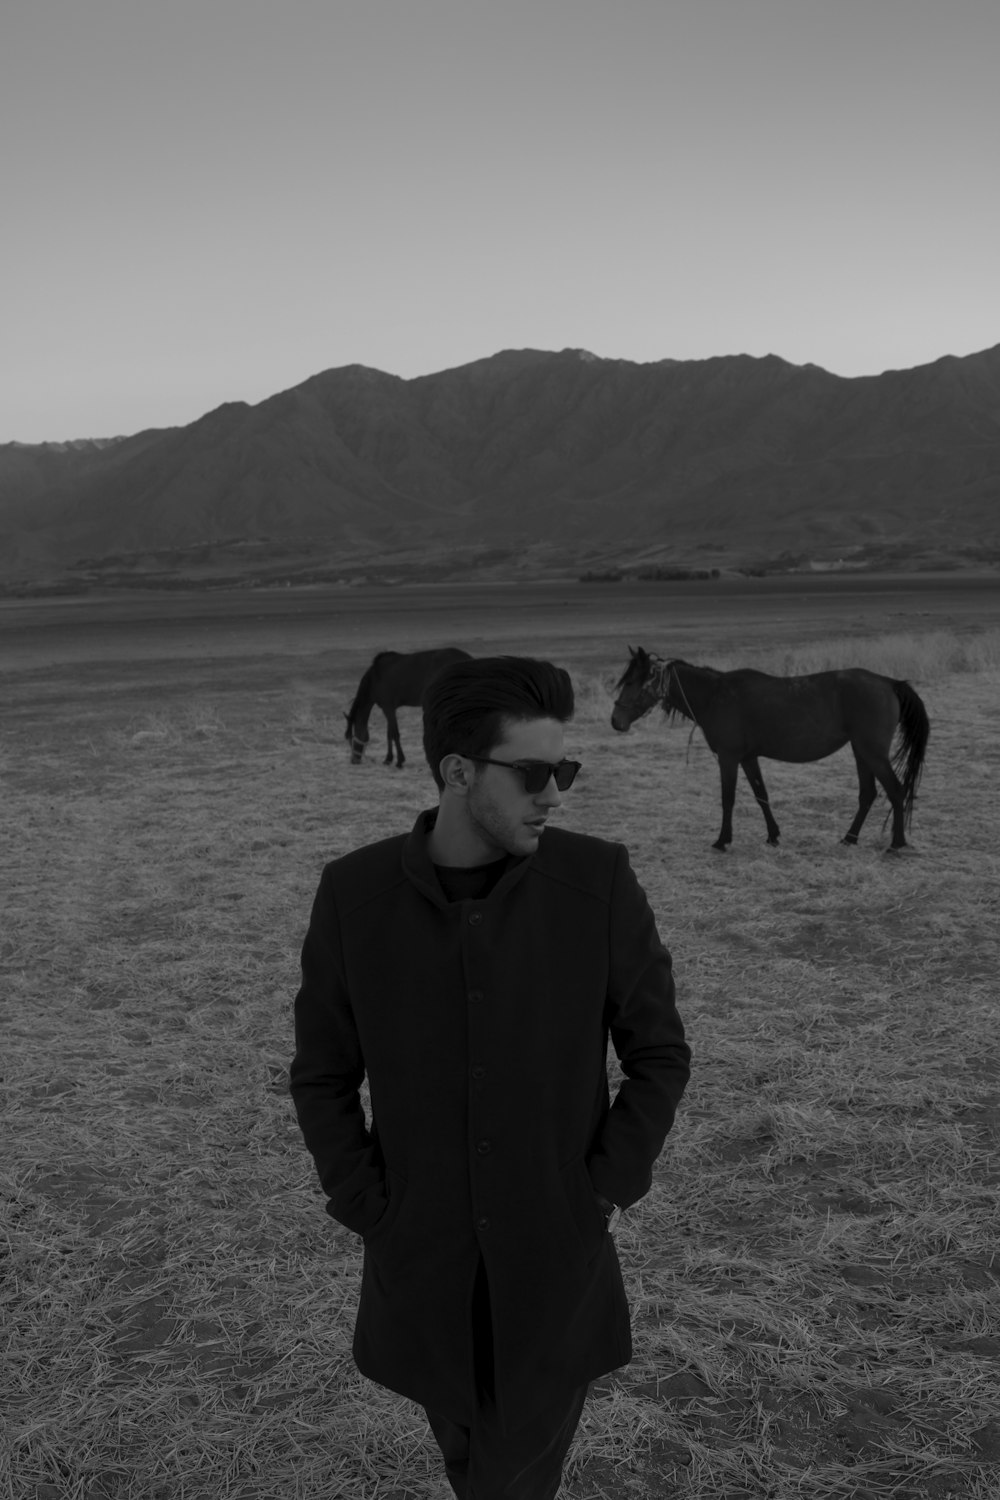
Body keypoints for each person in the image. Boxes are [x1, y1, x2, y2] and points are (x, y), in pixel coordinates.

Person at [289, 656, 690, 1500]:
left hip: (554, 1264)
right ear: (458, 772)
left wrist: (602, 1190)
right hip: (424, 1267)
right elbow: (322, 1076)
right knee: (469, 1456)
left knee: (508, 1480)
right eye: (537, 773)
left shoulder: (598, 884)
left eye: (565, 770)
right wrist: (368, 1207)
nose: (557, 793)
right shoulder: (353, 899)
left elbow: (659, 1053)